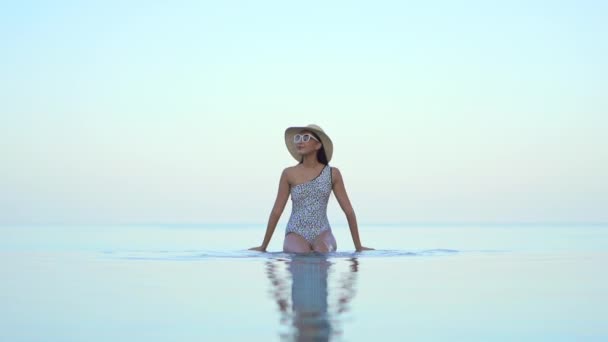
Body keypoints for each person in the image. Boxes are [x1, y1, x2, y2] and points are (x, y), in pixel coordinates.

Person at [249, 124, 373, 253]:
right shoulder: (288, 173)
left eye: (306, 137)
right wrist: (263, 246)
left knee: (322, 252)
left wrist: (358, 246)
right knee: (302, 253)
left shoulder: (332, 173)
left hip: (323, 231)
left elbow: (348, 211)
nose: (300, 141)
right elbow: (276, 211)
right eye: (298, 137)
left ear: (318, 145)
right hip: (295, 232)